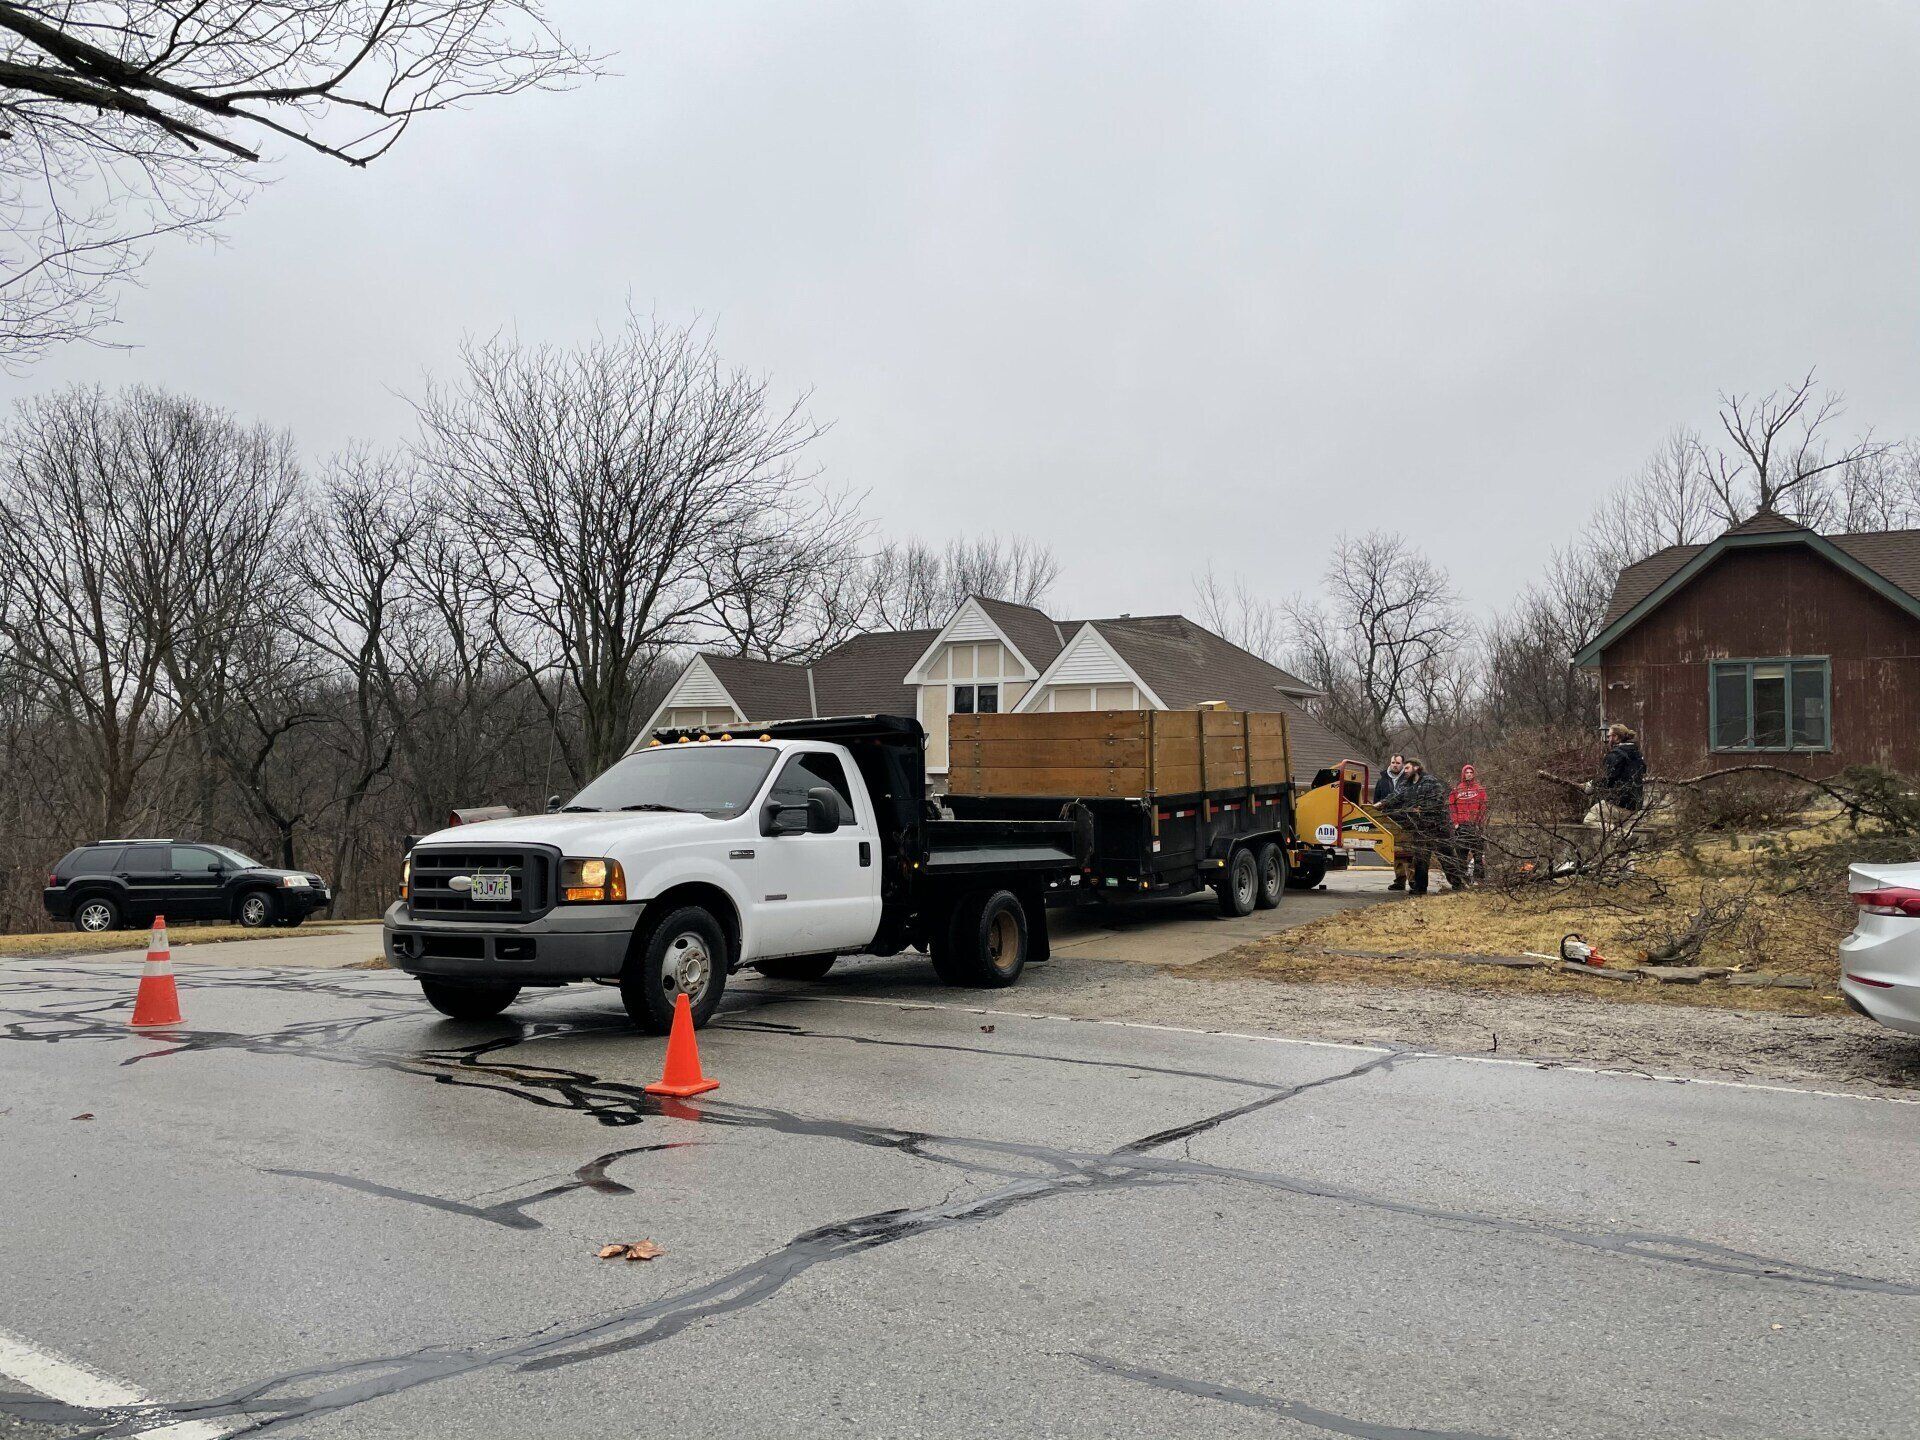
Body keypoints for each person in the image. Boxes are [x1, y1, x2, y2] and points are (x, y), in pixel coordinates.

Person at [1381, 757, 1454, 894]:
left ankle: (1458, 883)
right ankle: (1420, 889)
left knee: (1446, 858)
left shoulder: (1430, 781)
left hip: (1437, 827)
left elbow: (1438, 800)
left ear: (1416, 768)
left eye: (1407, 768)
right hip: (1420, 828)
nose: (1405, 771)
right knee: (1421, 858)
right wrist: (1381, 804)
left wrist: (1422, 808)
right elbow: (1395, 796)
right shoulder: (1406, 784)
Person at [1585, 723, 1647, 824]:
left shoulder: (1616, 754)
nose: (1608, 739)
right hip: (1635, 805)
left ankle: (1618, 835)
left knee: (1590, 819)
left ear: (1616, 737)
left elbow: (1607, 778)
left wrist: (1591, 785)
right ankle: (1626, 835)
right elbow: (1642, 771)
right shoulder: (1637, 754)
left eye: (1609, 736)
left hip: (1619, 803)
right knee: (1623, 832)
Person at [1448, 763, 1489, 883]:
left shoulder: (1479, 789)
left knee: (1478, 855)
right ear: (1463, 774)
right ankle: (1463, 880)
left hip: (1475, 826)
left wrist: (1480, 823)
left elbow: (1483, 807)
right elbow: (1452, 807)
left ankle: (1479, 880)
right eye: (1467, 772)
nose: (1469, 775)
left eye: (1471, 772)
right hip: (1461, 827)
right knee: (1461, 855)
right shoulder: (1457, 790)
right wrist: (1455, 823)